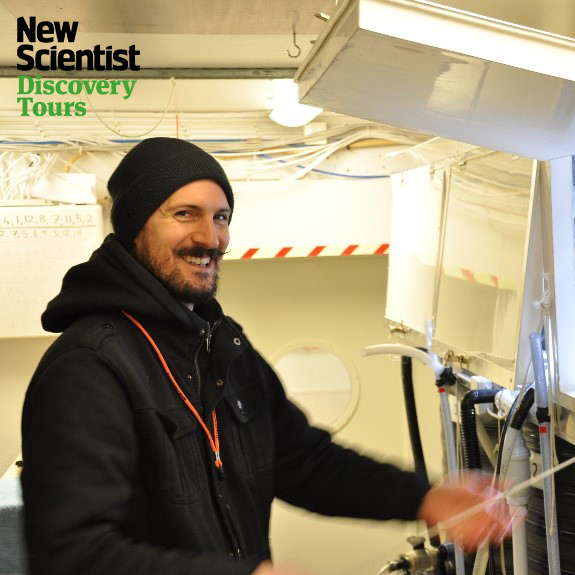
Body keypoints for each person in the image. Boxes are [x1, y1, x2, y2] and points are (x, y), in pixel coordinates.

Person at [21, 137, 512, 575]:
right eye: (185, 214)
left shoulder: (220, 345)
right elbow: (73, 554)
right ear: (134, 228)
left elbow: (301, 461)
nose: (210, 238)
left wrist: (426, 498)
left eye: (221, 217)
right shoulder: (88, 368)